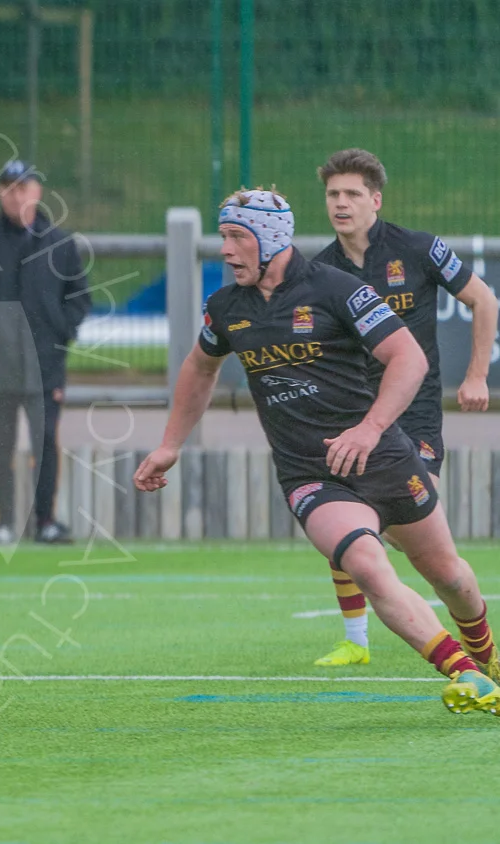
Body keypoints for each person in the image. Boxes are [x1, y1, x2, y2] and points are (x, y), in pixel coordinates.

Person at [135, 189, 500, 716]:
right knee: (367, 564)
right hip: (310, 473)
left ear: (271, 239)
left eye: (237, 237)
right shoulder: (226, 308)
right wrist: (171, 444)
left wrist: (370, 429)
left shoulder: (336, 288)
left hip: (383, 458)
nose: (226, 250)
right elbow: (199, 367)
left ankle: (487, 657)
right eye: (223, 237)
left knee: (449, 576)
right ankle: (465, 672)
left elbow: (409, 358)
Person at [310, 148, 499, 668]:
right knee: (346, 520)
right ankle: (356, 640)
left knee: (424, 549)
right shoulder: (319, 271)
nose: (341, 203)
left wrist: (476, 375)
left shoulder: (418, 249)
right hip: (353, 418)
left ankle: (482, 648)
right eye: (333, 194)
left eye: (352, 194)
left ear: (375, 199)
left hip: (414, 416)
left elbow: (484, 300)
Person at [0, 160, 91, 545]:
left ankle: (45, 521)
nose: (15, 195)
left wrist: (59, 333)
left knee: (45, 444)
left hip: (45, 365)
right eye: (8, 187)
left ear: (37, 192)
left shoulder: (61, 243)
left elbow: (78, 298)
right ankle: (4, 521)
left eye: (23, 187)